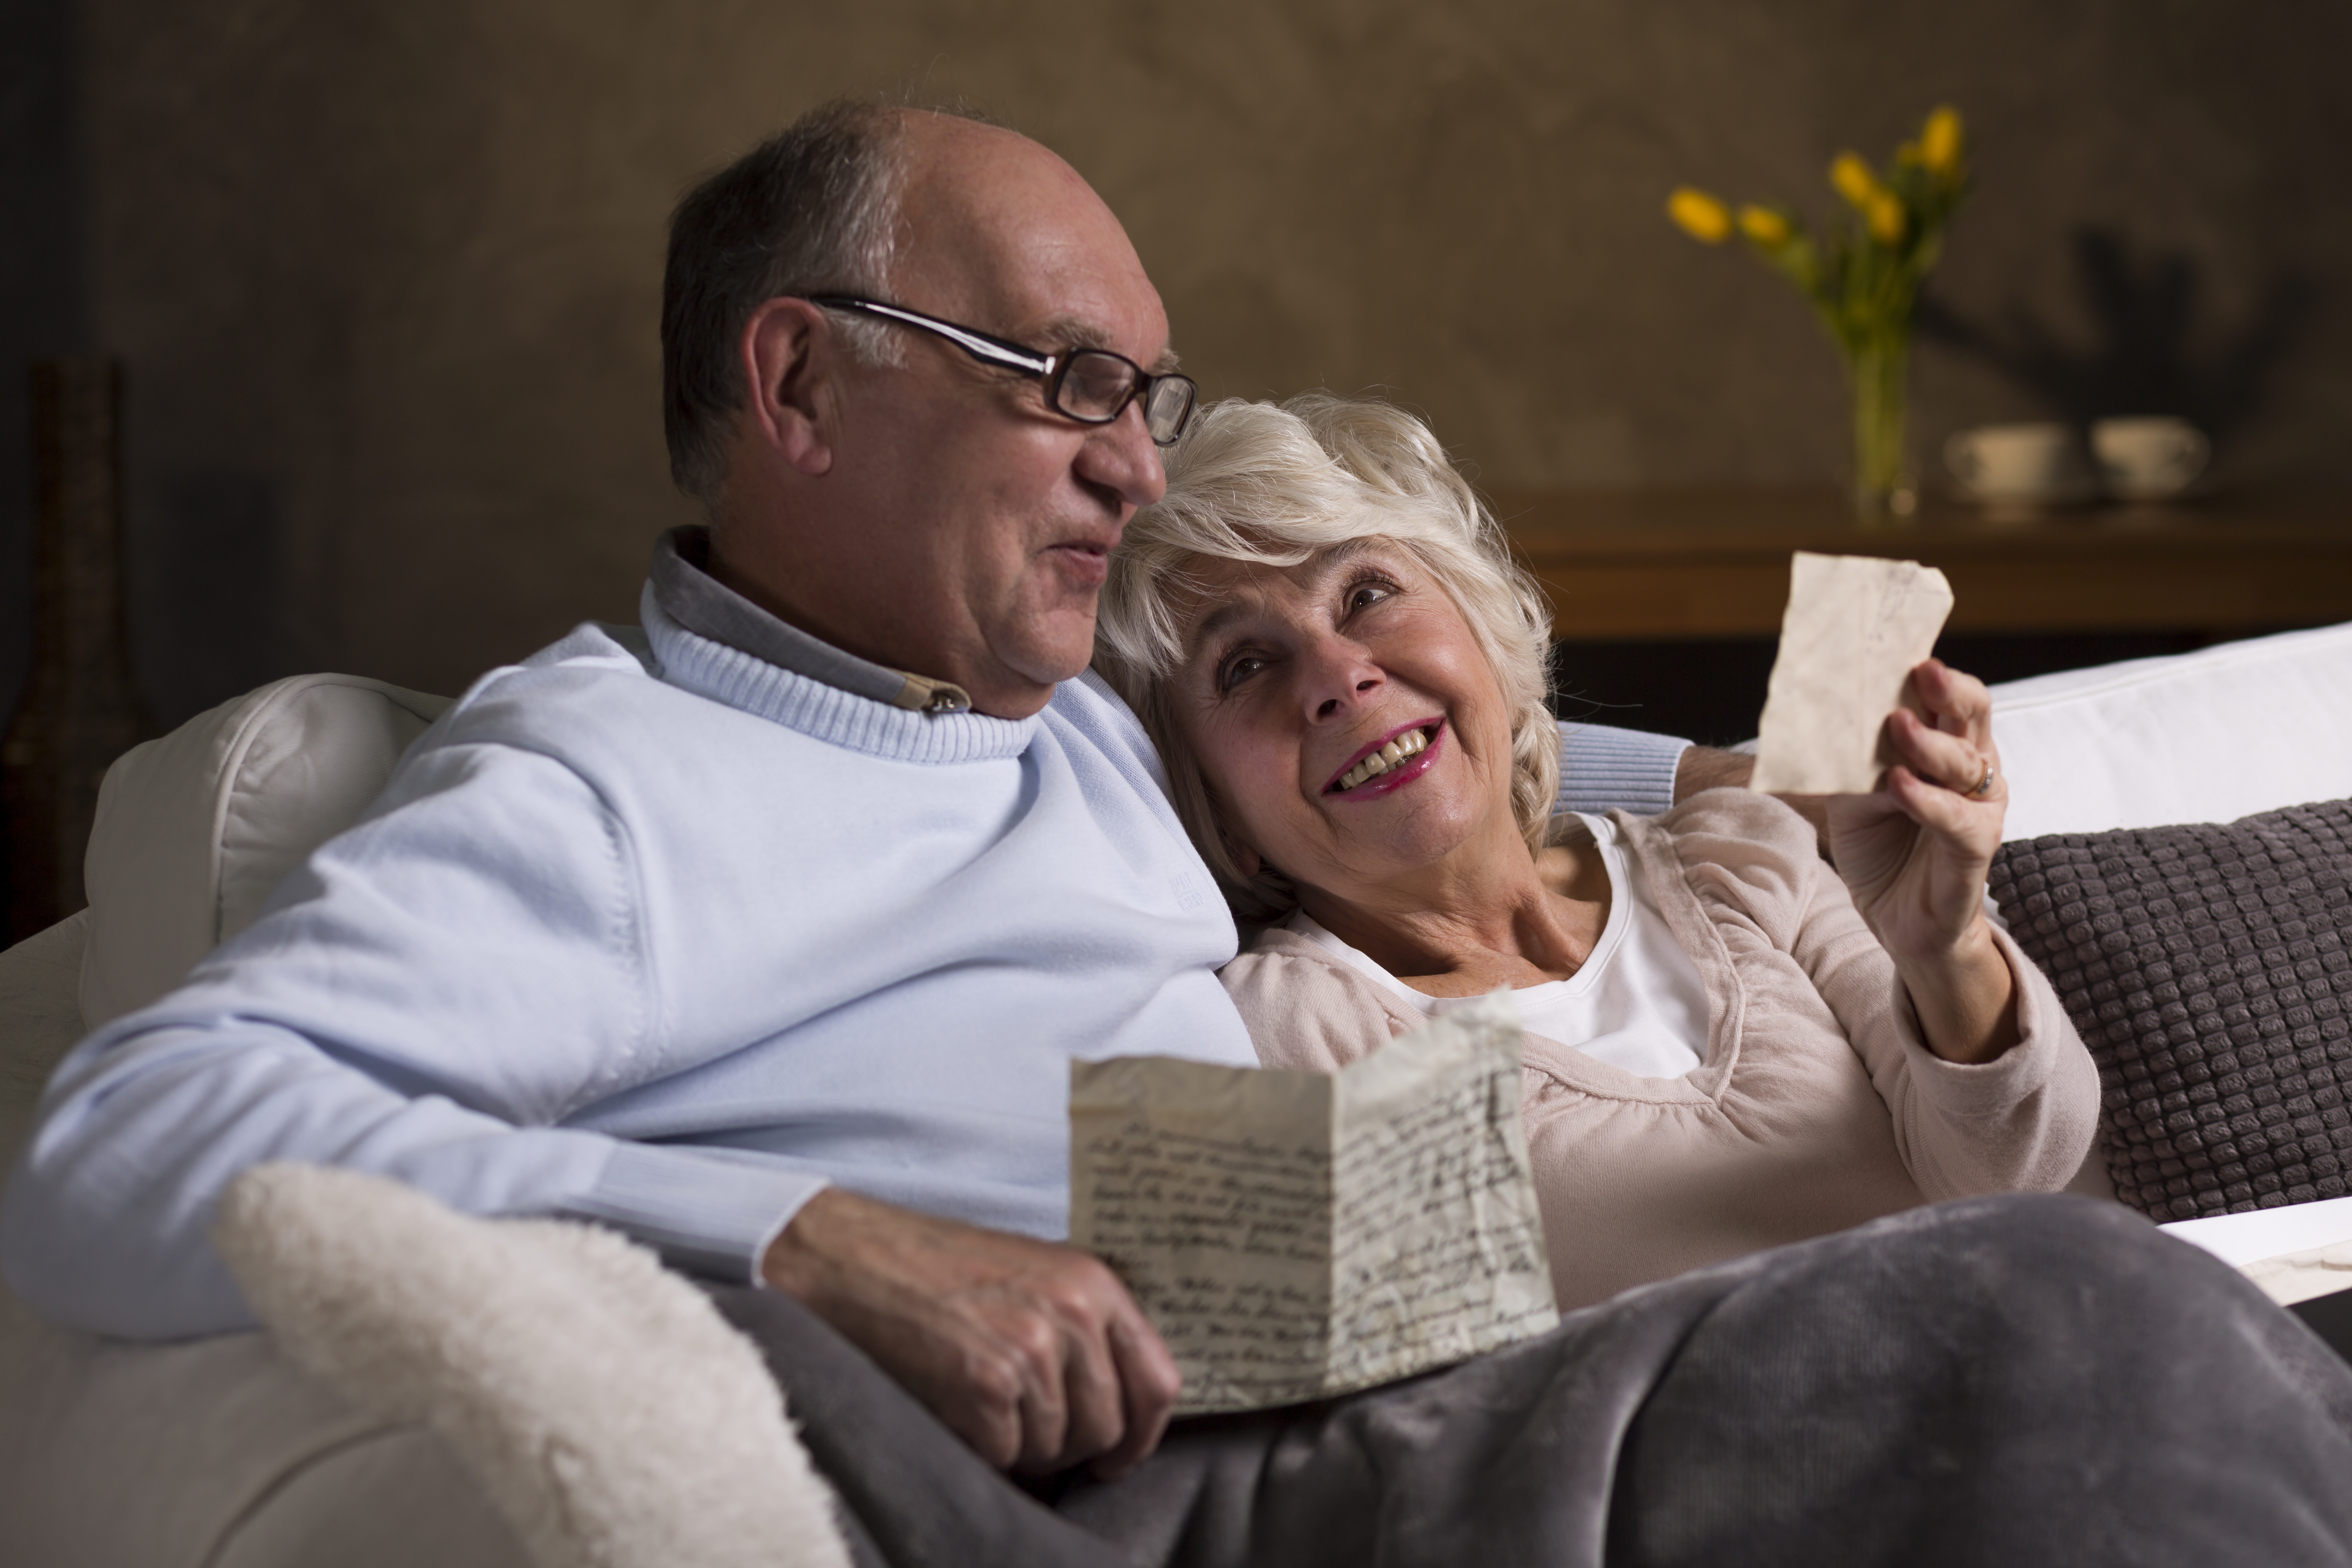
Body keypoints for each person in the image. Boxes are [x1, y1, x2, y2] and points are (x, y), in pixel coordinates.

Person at [5, 101, 2350, 1564]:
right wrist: (814, 1240)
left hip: (1392, 1358)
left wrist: (1797, 779)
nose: (1132, 460)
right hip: (1157, 1483)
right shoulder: (605, 783)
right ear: (798, 381)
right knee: (2071, 1315)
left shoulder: (1053, 728)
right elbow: (118, 1146)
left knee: (2161, 1329)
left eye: (1157, 391)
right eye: (1070, 385)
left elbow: (1468, 753)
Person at [1089, 393, 2104, 1308]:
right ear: (1210, 811)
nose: (1339, 676)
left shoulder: (1742, 857)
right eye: (1247, 664)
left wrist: (1946, 946)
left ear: (1481, 632)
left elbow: (2025, 1162)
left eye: (1364, 595)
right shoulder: (1282, 1039)